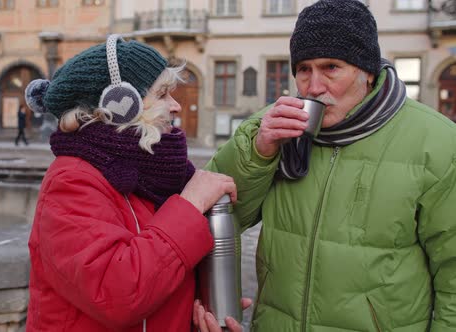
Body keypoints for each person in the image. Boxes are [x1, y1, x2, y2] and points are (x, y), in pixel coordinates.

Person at [203, 0, 456, 331]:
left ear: (366, 71)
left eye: (331, 67)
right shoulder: (273, 128)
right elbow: (218, 213)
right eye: (304, 69)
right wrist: (259, 153)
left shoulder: (436, 141)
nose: (314, 86)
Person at [24, 35, 242, 331]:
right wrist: (190, 205)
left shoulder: (156, 172)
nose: (176, 106)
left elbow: (161, 270)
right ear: (119, 104)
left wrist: (198, 304)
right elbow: (117, 293)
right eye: (163, 94)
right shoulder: (72, 179)